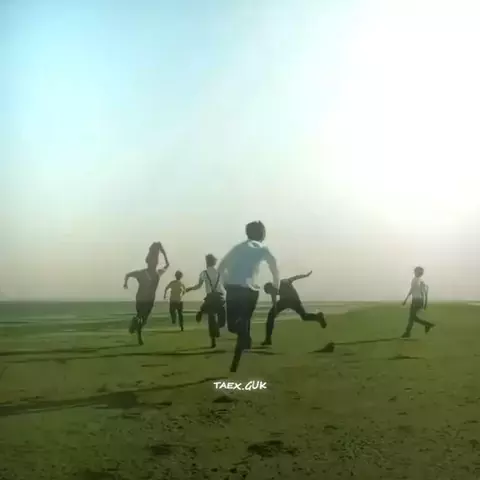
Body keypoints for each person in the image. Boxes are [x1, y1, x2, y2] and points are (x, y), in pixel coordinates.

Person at [217, 221, 280, 372]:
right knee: (243, 324)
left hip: (234, 289)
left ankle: (236, 363)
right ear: (261, 234)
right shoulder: (263, 248)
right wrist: (275, 287)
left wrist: (224, 283)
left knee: (233, 326)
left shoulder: (238, 248)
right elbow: (274, 268)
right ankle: (243, 343)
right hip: (251, 291)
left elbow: (221, 266)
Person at [261, 270, 329, 347]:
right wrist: (274, 312)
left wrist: (305, 275)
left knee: (304, 317)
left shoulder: (283, 282)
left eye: (271, 291)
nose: (274, 293)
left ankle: (318, 317)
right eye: (270, 293)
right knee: (271, 315)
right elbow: (274, 303)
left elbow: (295, 277)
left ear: (273, 286)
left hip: (292, 300)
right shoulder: (273, 292)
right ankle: (268, 339)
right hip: (287, 301)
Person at [123, 242, 169, 345]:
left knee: (143, 319)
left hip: (148, 300)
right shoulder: (143, 273)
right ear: (148, 262)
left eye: (156, 261)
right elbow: (128, 275)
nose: (155, 262)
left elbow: (167, 265)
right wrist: (125, 283)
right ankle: (136, 325)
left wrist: (162, 252)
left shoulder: (157, 273)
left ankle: (136, 326)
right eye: (154, 261)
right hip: (143, 299)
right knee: (142, 316)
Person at [185, 254, 226, 348]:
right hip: (220, 298)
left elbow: (198, 286)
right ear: (214, 262)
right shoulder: (219, 272)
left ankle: (213, 339)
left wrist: (190, 289)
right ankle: (216, 327)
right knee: (222, 319)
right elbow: (225, 284)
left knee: (211, 319)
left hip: (210, 298)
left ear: (207, 262)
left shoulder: (204, 273)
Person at [401, 266, 435, 338]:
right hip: (419, 300)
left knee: (412, 317)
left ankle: (427, 324)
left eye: (415, 271)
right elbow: (424, 292)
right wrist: (425, 303)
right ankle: (407, 332)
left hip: (416, 300)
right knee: (412, 317)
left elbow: (413, 290)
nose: (414, 272)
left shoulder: (416, 280)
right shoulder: (420, 281)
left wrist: (406, 299)